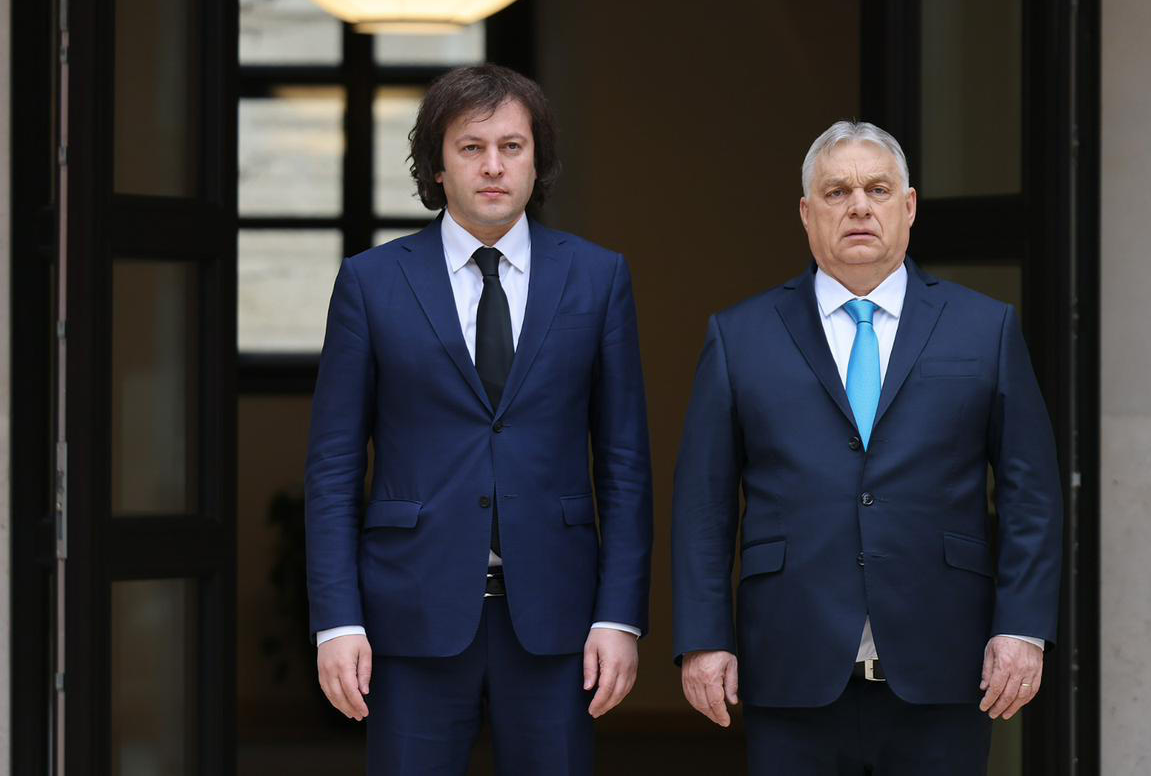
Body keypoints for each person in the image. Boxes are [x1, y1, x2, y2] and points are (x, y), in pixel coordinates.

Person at [670, 120, 1062, 774]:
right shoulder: (740, 336)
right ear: (806, 213)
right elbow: (702, 506)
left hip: (945, 664)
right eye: (836, 192)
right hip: (791, 666)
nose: (858, 206)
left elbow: (1032, 495)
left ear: (909, 207)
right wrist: (704, 638)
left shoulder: (984, 327)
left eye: (877, 189)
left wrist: (1021, 628)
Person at [304, 64, 653, 775]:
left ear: (536, 160)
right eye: (471, 147)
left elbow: (624, 465)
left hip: (557, 618)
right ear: (437, 166)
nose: (493, 165)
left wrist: (618, 615)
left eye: (512, 146)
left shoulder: (598, 278)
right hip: (410, 613)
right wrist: (337, 621)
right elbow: (334, 468)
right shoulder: (371, 282)